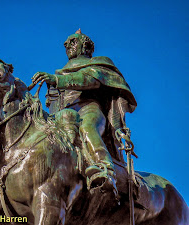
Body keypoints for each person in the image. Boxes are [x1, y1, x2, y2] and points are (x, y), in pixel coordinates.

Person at [32, 29, 137, 194]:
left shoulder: (98, 64)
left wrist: (57, 80)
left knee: (87, 127)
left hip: (88, 109)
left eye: (73, 41)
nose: (67, 45)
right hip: (64, 116)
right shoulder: (59, 73)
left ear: (85, 46)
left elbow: (89, 80)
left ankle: (105, 169)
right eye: (67, 42)